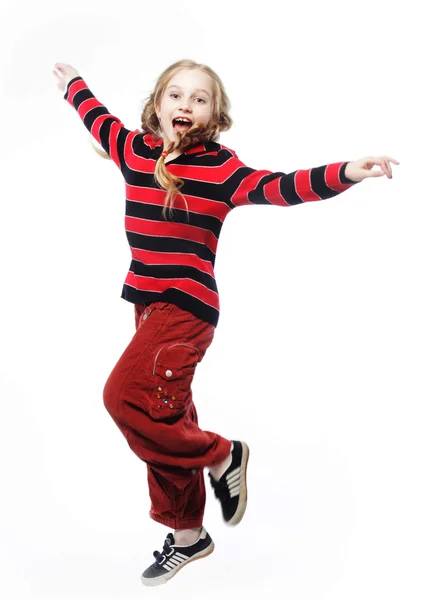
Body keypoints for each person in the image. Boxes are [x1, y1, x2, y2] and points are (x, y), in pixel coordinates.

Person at [52, 59, 399, 586]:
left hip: (184, 310)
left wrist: (347, 172)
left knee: (123, 398)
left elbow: (282, 186)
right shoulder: (134, 150)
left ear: (213, 114)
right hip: (147, 310)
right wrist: (73, 85)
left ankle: (222, 455)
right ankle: (189, 536)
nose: (185, 105)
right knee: (165, 421)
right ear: (157, 106)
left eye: (198, 99)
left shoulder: (219, 169)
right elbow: (95, 116)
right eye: (175, 95)